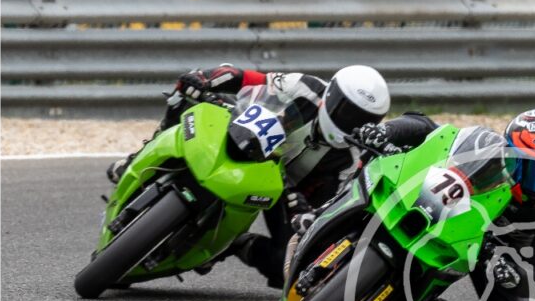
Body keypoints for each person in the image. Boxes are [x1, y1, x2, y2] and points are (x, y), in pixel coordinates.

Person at [107, 64, 391, 288]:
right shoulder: (306, 87)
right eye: (347, 112)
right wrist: (208, 79)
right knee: (184, 93)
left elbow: (331, 202)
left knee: (288, 267)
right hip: (248, 136)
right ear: (331, 96)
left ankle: (235, 243)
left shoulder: (351, 157)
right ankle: (137, 157)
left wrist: (308, 215)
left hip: (282, 190)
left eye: (363, 120)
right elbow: (249, 79)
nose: (351, 124)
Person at [354, 108, 535, 301]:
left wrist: (513, 273)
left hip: (495, 252)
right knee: (376, 155)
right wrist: (387, 131)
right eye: (533, 170)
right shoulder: (489, 148)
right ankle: (336, 208)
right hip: (454, 210)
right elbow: (430, 128)